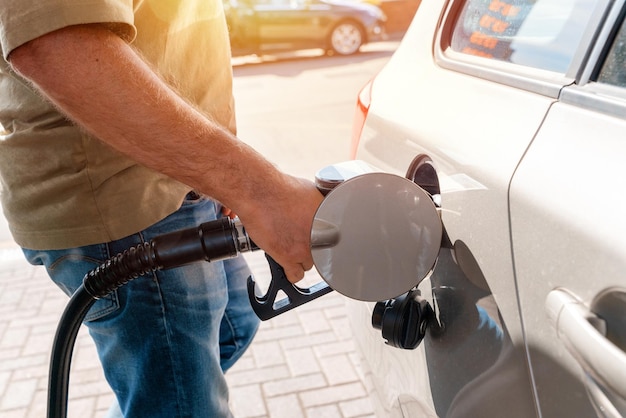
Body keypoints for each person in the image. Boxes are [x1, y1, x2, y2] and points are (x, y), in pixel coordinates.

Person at [0, 1, 323, 417]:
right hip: (125, 208)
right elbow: (57, 44)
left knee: (233, 326)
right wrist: (257, 189)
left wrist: (216, 178)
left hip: (179, 185)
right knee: (182, 406)